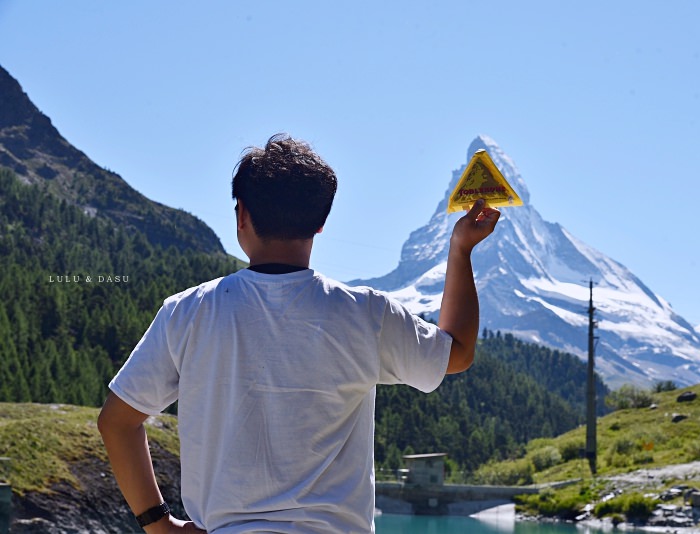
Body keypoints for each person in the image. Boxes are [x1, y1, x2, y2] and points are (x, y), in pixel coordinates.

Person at [97, 133, 501, 533]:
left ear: (242, 216)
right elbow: (458, 352)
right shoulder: (366, 314)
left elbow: (117, 422)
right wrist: (461, 249)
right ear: (321, 223)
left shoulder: (187, 312)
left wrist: (158, 524)